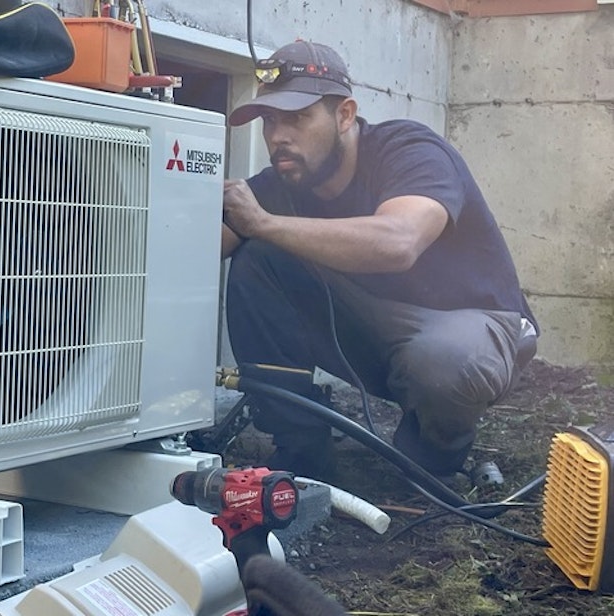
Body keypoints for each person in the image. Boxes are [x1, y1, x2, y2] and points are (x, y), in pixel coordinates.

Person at [222, 40, 538, 481]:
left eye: (296, 118)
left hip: (471, 326)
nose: (278, 136)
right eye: (270, 121)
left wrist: (261, 223)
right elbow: (195, 250)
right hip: (376, 327)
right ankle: (302, 451)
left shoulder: (409, 150)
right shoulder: (282, 183)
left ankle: (435, 454)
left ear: (345, 115)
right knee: (256, 259)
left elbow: (398, 242)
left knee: (444, 362)